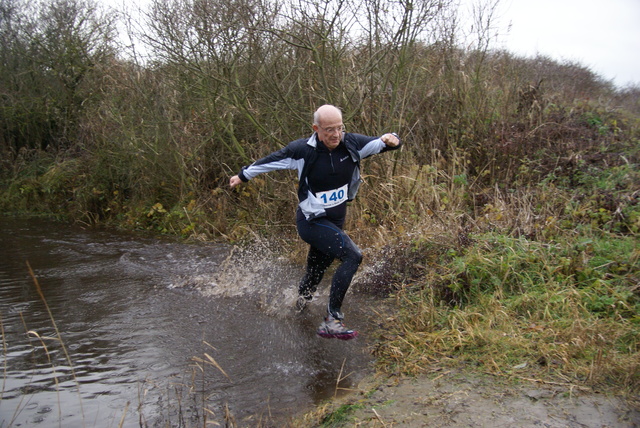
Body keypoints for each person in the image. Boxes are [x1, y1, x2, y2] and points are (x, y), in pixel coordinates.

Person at [229, 104, 401, 340]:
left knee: (316, 272)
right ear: (316, 129)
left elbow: (382, 142)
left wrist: (394, 139)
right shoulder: (302, 151)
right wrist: (243, 175)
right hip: (312, 221)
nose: (335, 134)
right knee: (353, 256)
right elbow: (271, 161)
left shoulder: (351, 144)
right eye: (329, 129)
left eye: (339, 128)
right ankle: (332, 319)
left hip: (335, 221)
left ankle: (298, 308)